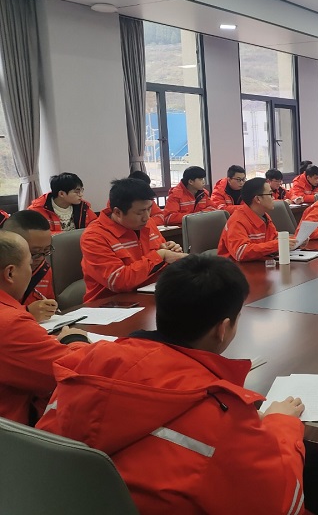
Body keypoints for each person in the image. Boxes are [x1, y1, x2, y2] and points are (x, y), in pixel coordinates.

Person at [37, 254, 307, 515]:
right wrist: (281, 423)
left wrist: (74, 341)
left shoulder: (82, 367)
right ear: (223, 329)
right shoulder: (222, 414)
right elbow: (283, 505)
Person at [0, 231, 89, 425]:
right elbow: (77, 370)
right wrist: (74, 339)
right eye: (29, 264)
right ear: (10, 273)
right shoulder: (11, 324)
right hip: (17, 434)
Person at [81, 178, 187, 302]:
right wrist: (160, 256)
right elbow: (119, 281)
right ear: (118, 212)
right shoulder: (94, 236)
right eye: (140, 213)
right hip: (110, 304)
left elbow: (161, 261)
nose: (147, 217)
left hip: (150, 294)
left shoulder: (148, 224)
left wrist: (171, 252)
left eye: (149, 209)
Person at [218, 178, 298, 261]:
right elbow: (241, 252)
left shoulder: (264, 216)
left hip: (259, 263)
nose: (273, 198)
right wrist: (276, 245)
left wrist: (295, 241)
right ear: (258, 199)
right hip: (236, 267)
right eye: (270, 194)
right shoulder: (237, 220)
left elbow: (273, 238)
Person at [2, 210, 59, 322]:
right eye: (34, 253)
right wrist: (27, 312)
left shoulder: (43, 268)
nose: (41, 258)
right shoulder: (3, 273)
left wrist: (49, 308)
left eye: (46, 251)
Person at [28, 172, 96, 233]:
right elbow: (36, 234)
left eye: (81, 190)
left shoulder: (83, 208)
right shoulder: (37, 210)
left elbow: (95, 226)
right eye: (77, 192)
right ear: (61, 194)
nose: (81, 195)